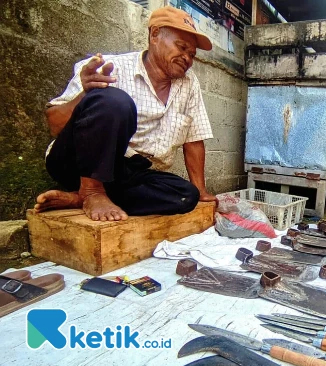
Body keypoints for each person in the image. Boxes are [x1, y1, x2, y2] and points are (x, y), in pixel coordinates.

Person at [34, 6, 218, 222]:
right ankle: (91, 190)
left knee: (186, 196)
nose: (186, 57)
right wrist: (85, 95)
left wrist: (201, 191)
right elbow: (55, 126)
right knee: (115, 101)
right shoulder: (110, 68)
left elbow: (193, 139)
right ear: (155, 35)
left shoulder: (189, 84)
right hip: (77, 162)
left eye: (191, 54)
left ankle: (79, 198)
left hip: (125, 172)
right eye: (181, 47)